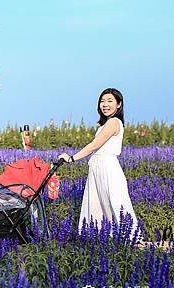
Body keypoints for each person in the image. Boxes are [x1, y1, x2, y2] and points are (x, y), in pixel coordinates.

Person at [58, 88, 140, 238]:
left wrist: (72, 158)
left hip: (108, 167)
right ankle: (99, 238)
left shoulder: (114, 122)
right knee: (97, 204)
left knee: (116, 203)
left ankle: (131, 240)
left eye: (110, 101)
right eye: (102, 101)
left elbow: (95, 145)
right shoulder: (105, 124)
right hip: (98, 167)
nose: (105, 105)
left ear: (119, 104)